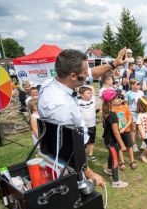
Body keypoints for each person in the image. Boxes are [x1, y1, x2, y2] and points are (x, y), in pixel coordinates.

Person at [38, 48, 129, 187]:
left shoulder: (54, 82)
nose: (88, 75)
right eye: (85, 72)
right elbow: (68, 149)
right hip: (68, 164)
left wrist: (114, 63)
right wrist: (90, 174)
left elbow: (93, 72)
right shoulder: (59, 106)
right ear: (73, 76)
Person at [101, 89, 129, 188]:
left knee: (112, 155)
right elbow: (116, 133)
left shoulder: (106, 112)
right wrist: (122, 145)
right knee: (115, 159)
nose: (118, 100)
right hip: (111, 141)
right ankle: (115, 181)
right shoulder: (112, 115)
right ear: (111, 101)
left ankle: (109, 169)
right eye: (116, 98)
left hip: (107, 140)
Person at [110, 90, 136, 170]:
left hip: (126, 130)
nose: (120, 99)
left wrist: (124, 128)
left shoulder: (125, 107)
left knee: (129, 146)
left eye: (122, 98)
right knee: (120, 147)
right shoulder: (112, 109)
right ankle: (122, 161)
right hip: (118, 132)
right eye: (118, 98)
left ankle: (132, 161)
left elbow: (130, 119)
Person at [77, 86, 98, 161]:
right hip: (82, 126)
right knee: (82, 141)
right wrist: (78, 89)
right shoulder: (77, 101)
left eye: (90, 93)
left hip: (92, 125)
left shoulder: (93, 99)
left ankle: (90, 154)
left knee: (91, 141)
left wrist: (83, 86)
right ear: (82, 95)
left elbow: (92, 88)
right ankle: (82, 155)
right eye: (88, 93)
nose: (90, 94)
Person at [125, 79, 144, 152]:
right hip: (132, 113)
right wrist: (128, 113)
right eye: (138, 84)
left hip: (140, 113)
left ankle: (143, 142)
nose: (139, 85)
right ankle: (134, 144)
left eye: (139, 84)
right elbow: (126, 104)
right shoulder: (128, 93)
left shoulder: (141, 93)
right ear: (132, 85)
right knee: (133, 129)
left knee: (141, 128)